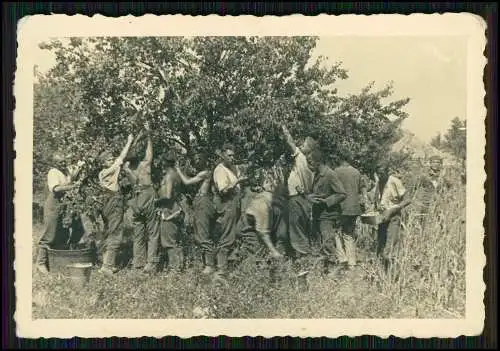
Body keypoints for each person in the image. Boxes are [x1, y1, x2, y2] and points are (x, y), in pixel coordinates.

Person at [35, 153, 86, 274]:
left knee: (63, 233)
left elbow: (71, 178)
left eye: (64, 161)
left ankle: (58, 260)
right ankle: (40, 263)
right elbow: (56, 188)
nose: (63, 163)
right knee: (50, 234)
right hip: (54, 205)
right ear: (54, 162)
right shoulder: (53, 172)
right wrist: (73, 186)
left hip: (63, 205)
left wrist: (79, 169)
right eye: (60, 162)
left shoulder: (64, 173)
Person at [122, 121, 159, 273]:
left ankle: (138, 264)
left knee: (138, 232)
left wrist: (132, 140)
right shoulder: (144, 165)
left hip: (135, 198)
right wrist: (149, 135)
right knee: (152, 231)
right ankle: (150, 263)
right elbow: (150, 153)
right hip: (147, 194)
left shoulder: (127, 168)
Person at [96, 133, 135, 275]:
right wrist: (129, 141)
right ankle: (107, 266)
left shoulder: (101, 174)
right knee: (116, 232)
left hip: (107, 201)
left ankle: (107, 262)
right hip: (113, 200)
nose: (112, 161)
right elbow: (121, 157)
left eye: (111, 159)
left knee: (109, 231)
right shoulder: (108, 171)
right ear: (103, 163)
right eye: (108, 160)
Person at [307, 149, 347, 274]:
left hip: (328, 215)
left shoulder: (330, 174)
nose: (308, 165)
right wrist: (311, 197)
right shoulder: (317, 175)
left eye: (310, 162)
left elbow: (342, 193)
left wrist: (326, 201)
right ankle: (327, 270)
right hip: (319, 214)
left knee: (328, 242)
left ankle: (336, 269)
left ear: (317, 162)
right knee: (322, 242)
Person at [280, 124, 316, 263]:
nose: (300, 146)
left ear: (309, 149)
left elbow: (290, 142)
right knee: (302, 229)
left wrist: (284, 129)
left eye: (304, 145)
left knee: (296, 230)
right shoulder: (312, 166)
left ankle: (301, 261)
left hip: (296, 199)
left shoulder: (301, 158)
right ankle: (303, 257)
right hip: (305, 199)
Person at [212, 144, 247, 281]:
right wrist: (238, 181)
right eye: (229, 155)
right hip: (227, 205)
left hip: (236, 204)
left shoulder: (232, 168)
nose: (232, 158)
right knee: (227, 237)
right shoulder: (220, 170)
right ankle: (220, 271)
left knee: (237, 234)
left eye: (233, 155)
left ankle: (231, 267)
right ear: (223, 156)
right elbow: (224, 190)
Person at [370, 159, 412, 272]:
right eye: (378, 173)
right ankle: (380, 271)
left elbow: (407, 199)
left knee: (391, 244)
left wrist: (394, 208)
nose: (380, 175)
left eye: (382, 172)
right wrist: (377, 206)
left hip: (393, 216)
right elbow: (378, 200)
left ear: (388, 171)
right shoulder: (379, 182)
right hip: (382, 217)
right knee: (381, 243)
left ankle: (392, 273)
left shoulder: (394, 181)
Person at [175, 154, 214, 275]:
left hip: (203, 202)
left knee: (203, 233)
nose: (197, 161)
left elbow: (187, 182)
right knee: (199, 233)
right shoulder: (200, 173)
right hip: (199, 202)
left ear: (205, 160)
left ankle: (210, 265)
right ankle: (205, 263)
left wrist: (177, 170)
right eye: (195, 159)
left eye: (199, 159)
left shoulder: (206, 173)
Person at [155, 151, 185, 273]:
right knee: (174, 240)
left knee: (169, 241)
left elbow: (167, 196)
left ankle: (174, 269)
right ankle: (178, 266)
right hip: (174, 207)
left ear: (164, 163)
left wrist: (155, 201)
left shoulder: (169, 176)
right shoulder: (176, 174)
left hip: (169, 209)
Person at [333, 158, 364, 269]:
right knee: (349, 234)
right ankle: (352, 263)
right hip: (354, 208)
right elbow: (360, 190)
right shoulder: (356, 172)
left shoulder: (336, 172)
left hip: (341, 208)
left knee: (335, 231)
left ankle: (342, 258)